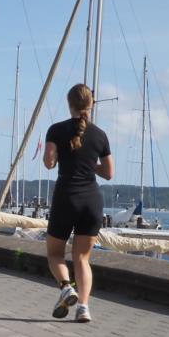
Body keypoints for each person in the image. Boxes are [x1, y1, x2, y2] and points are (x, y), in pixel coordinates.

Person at [43, 84, 114, 324]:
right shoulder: (100, 135)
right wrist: (88, 163)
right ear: (91, 104)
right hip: (92, 200)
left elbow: (49, 163)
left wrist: (61, 153)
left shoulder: (56, 130)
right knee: (82, 258)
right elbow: (108, 173)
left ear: (69, 103)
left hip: (66, 198)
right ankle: (83, 307)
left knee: (54, 253)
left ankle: (65, 287)